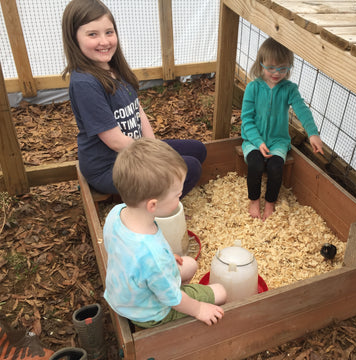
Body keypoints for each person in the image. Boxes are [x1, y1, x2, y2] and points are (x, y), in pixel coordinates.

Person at [61, 0, 206, 197]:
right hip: (110, 167)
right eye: (92, 34)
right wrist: (154, 158)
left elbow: (138, 111)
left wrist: (154, 147)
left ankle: (156, 192)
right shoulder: (85, 84)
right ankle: (152, 212)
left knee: (198, 150)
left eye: (109, 32)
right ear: (74, 38)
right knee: (190, 167)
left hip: (135, 150)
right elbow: (114, 141)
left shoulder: (114, 68)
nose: (104, 41)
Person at [103, 138, 226, 327]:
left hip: (123, 296)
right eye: (177, 195)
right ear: (153, 205)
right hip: (150, 312)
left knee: (190, 264)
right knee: (221, 291)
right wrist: (199, 309)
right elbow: (174, 299)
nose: (180, 197)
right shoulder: (152, 254)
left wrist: (168, 257)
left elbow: (122, 253)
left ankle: (174, 285)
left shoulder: (116, 213)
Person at [241, 37, 324, 220]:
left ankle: (270, 202)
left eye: (282, 68)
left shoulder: (289, 89)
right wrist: (258, 141)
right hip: (253, 139)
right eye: (271, 67)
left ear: (289, 67)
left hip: (278, 140)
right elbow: (246, 119)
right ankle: (254, 199)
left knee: (276, 167)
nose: (276, 73)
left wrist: (313, 134)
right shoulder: (253, 88)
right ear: (261, 64)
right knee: (255, 164)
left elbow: (302, 110)